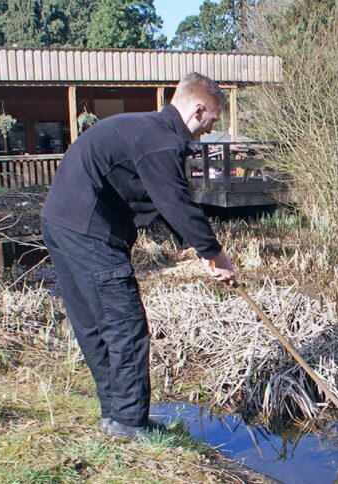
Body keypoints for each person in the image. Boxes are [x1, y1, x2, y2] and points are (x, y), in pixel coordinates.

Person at [40, 72, 236, 440]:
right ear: (198, 108)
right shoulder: (161, 142)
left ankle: (115, 416)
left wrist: (202, 253)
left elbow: (157, 204)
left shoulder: (147, 130)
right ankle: (129, 422)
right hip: (89, 230)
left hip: (61, 222)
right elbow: (177, 203)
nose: (211, 130)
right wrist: (216, 254)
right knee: (126, 324)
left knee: (95, 325)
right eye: (213, 119)